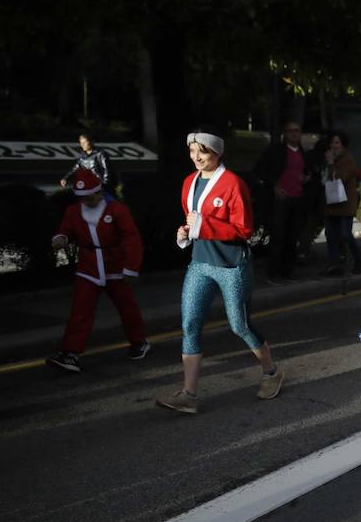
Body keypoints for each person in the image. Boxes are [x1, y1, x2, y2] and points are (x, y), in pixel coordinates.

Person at [157, 131, 283, 413]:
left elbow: (245, 230)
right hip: (200, 263)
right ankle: (189, 394)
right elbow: (194, 220)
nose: (197, 158)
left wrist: (203, 225)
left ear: (218, 153)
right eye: (192, 152)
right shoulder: (189, 182)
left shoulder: (233, 184)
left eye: (203, 152)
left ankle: (272, 372)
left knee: (239, 325)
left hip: (231, 266)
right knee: (190, 324)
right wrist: (187, 231)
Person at [45, 168, 149, 372]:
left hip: (115, 267)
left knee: (127, 308)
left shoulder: (117, 210)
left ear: (99, 192)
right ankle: (71, 354)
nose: (86, 201)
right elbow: (65, 231)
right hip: (88, 267)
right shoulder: (73, 211)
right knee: (80, 310)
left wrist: (131, 268)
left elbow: (132, 238)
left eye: (90, 197)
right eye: (82, 198)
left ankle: (139, 342)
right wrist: (60, 238)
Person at [252, 121, 312, 283]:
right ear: (285, 133)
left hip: (297, 198)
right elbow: (259, 170)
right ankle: (273, 272)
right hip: (280, 200)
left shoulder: (302, 152)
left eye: (297, 130)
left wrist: (306, 178)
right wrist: (274, 185)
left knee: (292, 237)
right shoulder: (275, 151)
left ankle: (288, 271)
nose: (294, 133)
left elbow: (308, 173)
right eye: (290, 130)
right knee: (278, 236)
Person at [321, 131, 361, 276]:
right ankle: (334, 264)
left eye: (337, 143)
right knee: (331, 234)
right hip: (331, 204)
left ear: (343, 145)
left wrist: (332, 164)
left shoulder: (347, 160)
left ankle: (357, 260)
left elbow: (339, 179)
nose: (334, 146)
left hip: (344, 205)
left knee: (346, 234)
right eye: (332, 143)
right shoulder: (327, 160)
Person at [60, 132, 114, 197]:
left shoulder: (101, 154)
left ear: (92, 142)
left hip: (101, 188)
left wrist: (104, 186)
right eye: (81, 143)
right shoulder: (82, 156)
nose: (82, 144)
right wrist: (65, 178)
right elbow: (75, 169)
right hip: (88, 187)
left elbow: (106, 171)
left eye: (85, 142)